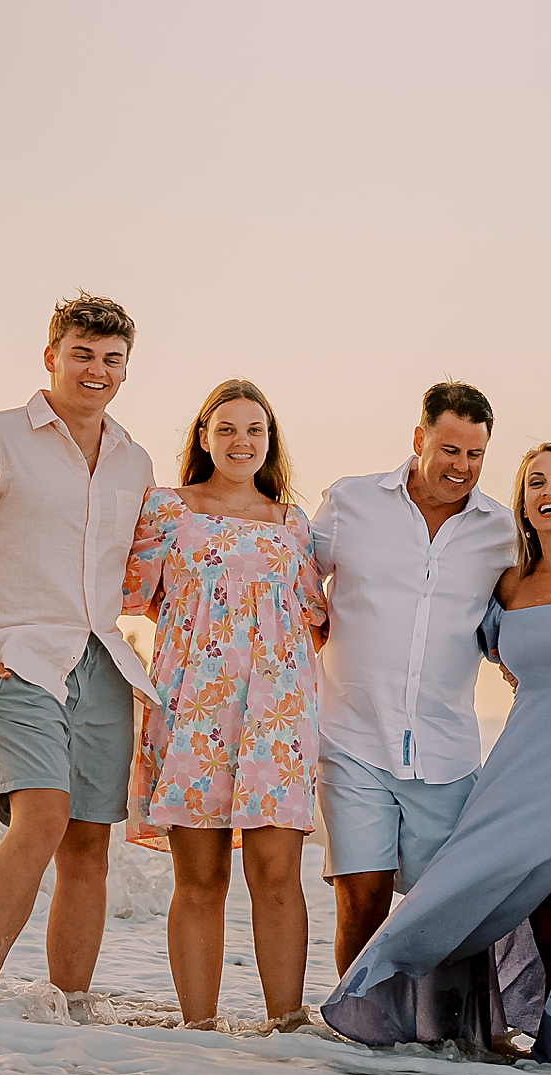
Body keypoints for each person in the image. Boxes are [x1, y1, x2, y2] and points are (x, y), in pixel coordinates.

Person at [322, 443, 551, 1063]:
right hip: (526, 758)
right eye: (535, 483)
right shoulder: (510, 583)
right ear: (522, 502)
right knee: (480, 887)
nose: (549, 491)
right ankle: (390, 1009)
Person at [0, 293, 157, 1014]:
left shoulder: (133, 459)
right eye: (82, 354)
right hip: (16, 657)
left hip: (103, 662)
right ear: (51, 356)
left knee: (89, 847)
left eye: (112, 359)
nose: (97, 370)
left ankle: (69, 1009)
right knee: (43, 819)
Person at [123, 380, 326, 1031]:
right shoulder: (166, 511)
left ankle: (289, 1029)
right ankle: (199, 1034)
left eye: (255, 430)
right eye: (228, 429)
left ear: (270, 441)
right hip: (192, 712)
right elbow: (124, 594)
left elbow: (317, 619)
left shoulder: (293, 523)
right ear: (204, 436)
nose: (242, 442)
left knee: (277, 876)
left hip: (278, 718)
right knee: (201, 878)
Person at [310, 382, 518, 976]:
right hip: (352, 735)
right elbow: (292, 585)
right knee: (362, 897)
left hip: (447, 748)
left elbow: (523, 611)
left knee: (448, 909)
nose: (462, 468)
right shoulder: (350, 503)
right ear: (419, 438)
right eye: (450, 450)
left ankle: (441, 1053)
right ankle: (356, 1033)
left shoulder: (500, 531)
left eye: (475, 455)